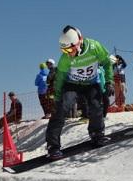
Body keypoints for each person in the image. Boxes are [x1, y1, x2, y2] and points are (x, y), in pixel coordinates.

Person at [45, 25, 114, 160]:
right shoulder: (65, 58)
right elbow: (59, 78)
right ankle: (53, 146)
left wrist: (109, 81)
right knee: (61, 110)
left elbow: (106, 62)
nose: (68, 53)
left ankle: (97, 134)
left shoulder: (94, 47)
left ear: (79, 41)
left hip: (91, 84)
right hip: (72, 85)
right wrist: (58, 98)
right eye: (64, 50)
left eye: (70, 49)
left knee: (96, 106)